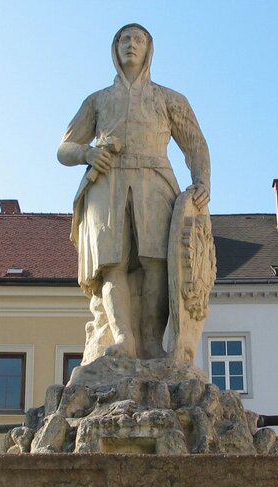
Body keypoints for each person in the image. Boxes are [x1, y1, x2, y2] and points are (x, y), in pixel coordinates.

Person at [58, 23, 210, 360]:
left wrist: (202, 181)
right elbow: (64, 148)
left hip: (155, 180)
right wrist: (87, 153)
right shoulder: (98, 100)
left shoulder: (168, 99)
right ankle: (123, 338)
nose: (131, 44)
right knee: (111, 262)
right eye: (124, 39)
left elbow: (195, 144)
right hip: (106, 181)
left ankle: (151, 340)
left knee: (157, 260)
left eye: (138, 39)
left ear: (149, 49)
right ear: (114, 48)